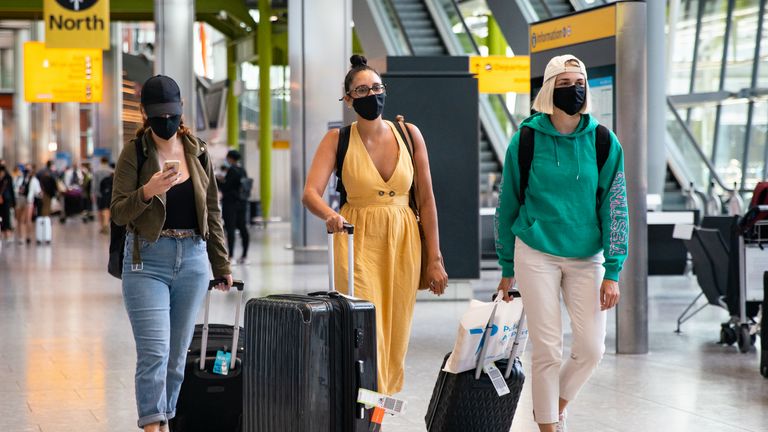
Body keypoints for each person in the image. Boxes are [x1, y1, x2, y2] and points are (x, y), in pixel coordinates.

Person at [495, 55, 629, 432]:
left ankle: (553, 406)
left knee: (591, 349)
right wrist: (508, 268)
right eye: (566, 82)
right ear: (550, 89)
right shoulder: (526, 139)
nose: (575, 89)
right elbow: (508, 205)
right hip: (535, 253)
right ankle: (549, 426)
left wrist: (614, 269)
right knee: (548, 349)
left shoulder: (604, 141)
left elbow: (615, 206)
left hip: (587, 257)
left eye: (580, 82)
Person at [302, 55, 449, 396]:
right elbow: (310, 192)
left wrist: (435, 257)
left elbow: (426, 200)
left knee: (396, 334)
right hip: (355, 239)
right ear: (349, 98)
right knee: (365, 330)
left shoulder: (409, 135)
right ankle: (365, 408)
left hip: (403, 241)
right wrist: (329, 214)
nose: (372, 95)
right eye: (363, 90)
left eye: (377, 87)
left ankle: (377, 407)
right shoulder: (338, 140)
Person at [110, 74, 233, 432]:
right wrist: (147, 191)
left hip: (193, 259)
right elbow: (118, 211)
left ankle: (167, 420)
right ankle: (152, 425)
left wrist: (220, 262)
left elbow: (212, 211)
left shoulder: (198, 150)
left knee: (177, 358)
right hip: (146, 259)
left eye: (173, 113)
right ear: (146, 115)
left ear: (181, 111)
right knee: (155, 353)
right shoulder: (134, 152)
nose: (167, 121)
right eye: (159, 114)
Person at [217, 150, 250, 263]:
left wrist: (217, 180)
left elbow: (226, 187)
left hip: (230, 204)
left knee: (230, 229)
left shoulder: (232, 170)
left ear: (230, 158)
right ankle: (245, 255)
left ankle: (231, 256)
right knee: (243, 228)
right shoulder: (242, 170)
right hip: (242, 203)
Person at [13, 164, 40, 245]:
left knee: (27, 219)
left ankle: (28, 236)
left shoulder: (34, 180)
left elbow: (37, 191)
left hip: (29, 201)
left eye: (29, 170)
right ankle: (20, 237)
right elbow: (15, 188)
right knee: (19, 220)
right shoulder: (18, 178)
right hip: (20, 199)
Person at [35, 161, 57, 245]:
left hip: (41, 195)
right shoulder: (51, 173)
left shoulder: (40, 172)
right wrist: (53, 194)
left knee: (42, 212)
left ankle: (42, 235)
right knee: (46, 213)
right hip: (47, 195)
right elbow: (54, 185)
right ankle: (45, 235)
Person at [91, 156, 114, 234]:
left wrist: (93, 193)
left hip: (99, 193)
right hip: (110, 193)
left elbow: (94, 184)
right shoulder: (111, 171)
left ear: (101, 161)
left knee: (100, 210)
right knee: (107, 208)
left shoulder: (97, 171)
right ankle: (106, 223)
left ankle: (102, 225)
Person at [0, 164, 15, 241]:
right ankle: (2, 232)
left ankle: (7, 234)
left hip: (6, 200)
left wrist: (13, 202)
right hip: (1, 201)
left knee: (7, 216)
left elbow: (11, 190)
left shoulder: (8, 178)